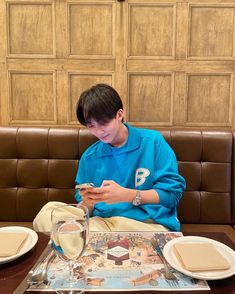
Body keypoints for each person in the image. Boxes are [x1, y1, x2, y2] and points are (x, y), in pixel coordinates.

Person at [33, 84, 185, 232]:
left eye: (104, 122)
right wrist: (87, 203)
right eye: (91, 125)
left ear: (119, 115)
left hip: (146, 224)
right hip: (103, 223)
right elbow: (86, 207)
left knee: (78, 233)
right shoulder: (90, 156)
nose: (99, 131)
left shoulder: (152, 143)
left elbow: (172, 195)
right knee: (48, 212)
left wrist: (128, 195)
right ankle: (79, 237)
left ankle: (78, 239)